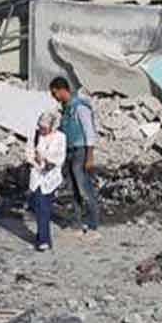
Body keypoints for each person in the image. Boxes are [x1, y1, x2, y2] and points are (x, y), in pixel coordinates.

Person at [49, 77, 100, 240]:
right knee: (75, 190)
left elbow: (89, 132)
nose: (54, 97)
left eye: (55, 93)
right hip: (70, 151)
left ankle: (93, 226)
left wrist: (89, 157)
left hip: (81, 151)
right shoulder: (66, 108)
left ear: (62, 89)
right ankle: (77, 224)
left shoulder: (79, 107)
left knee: (85, 189)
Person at [27, 111, 66, 251]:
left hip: (51, 178)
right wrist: (37, 160)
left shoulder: (60, 138)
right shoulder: (36, 135)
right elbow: (29, 153)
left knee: (43, 207)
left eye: (45, 128)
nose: (42, 131)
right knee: (41, 207)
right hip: (37, 176)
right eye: (40, 127)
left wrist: (47, 162)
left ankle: (43, 238)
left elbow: (60, 158)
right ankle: (44, 238)